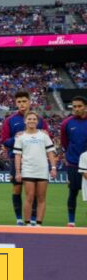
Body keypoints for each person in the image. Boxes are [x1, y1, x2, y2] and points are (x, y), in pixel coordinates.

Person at [0, 91, 50, 225]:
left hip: (35, 162)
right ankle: (19, 219)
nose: (22, 104)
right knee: (17, 189)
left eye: (24, 101)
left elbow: (47, 139)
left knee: (34, 192)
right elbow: (4, 141)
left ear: (29, 102)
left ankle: (33, 219)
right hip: (16, 159)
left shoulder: (39, 120)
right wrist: (16, 137)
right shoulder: (10, 120)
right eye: (19, 102)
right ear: (16, 103)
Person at [14, 112, 57, 226]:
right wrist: (18, 171)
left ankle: (38, 223)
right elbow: (17, 155)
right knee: (29, 196)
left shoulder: (44, 135)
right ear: (25, 121)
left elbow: (50, 152)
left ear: (37, 121)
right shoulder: (20, 137)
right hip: (28, 169)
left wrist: (53, 167)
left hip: (42, 170)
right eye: (29, 119)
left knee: (41, 198)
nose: (32, 121)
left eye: (34, 119)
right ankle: (27, 223)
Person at [60, 95, 87, 227]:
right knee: (73, 192)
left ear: (85, 107)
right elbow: (65, 143)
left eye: (79, 106)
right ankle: (71, 221)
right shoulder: (66, 123)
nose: (76, 109)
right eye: (74, 106)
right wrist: (71, 158)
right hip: (74, 164)